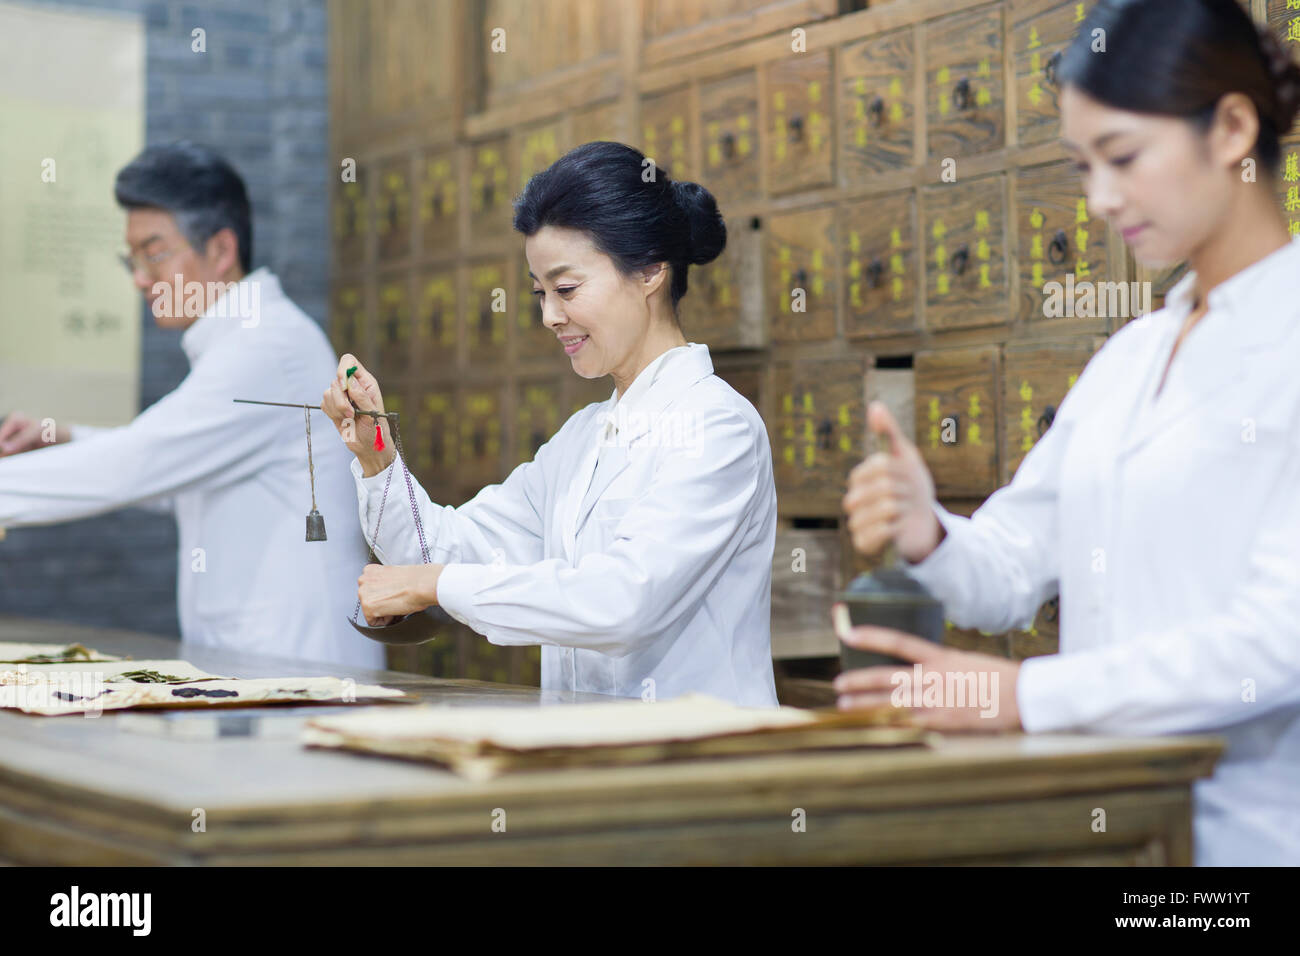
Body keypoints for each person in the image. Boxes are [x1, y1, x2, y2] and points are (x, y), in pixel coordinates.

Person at [835, 0, 1300, 866]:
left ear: (1232, 127)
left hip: (1254, 842)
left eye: (1122, 158)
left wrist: (1029, 696)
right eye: (1083, 165)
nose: (1098, 200)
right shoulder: (1135, 354)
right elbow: (1014, 564)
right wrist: (929, 533)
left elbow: (1278, 641)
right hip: (1113, 835)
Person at [323, 141, 779, 706]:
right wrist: (378, 457)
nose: (549, 316)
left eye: (566, 289)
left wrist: (436, 584)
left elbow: (622, 601)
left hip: (697, 767)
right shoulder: (584, 438)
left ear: (651, 271)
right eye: (540, 293)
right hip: (591, 763)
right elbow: (439, 552)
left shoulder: (718, 426)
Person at [0, 142, 380, 669]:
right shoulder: (242, 342)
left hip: (303, 668)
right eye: (131, 258)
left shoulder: (266, 346)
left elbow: (139, 464)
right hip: (262, 664)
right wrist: (66, 436)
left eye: (154, 253)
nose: (139, 278)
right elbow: (172, 466)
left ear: (221, 251)